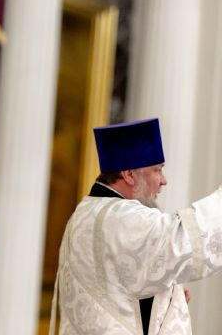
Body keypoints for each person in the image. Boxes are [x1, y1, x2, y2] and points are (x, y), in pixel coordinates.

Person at [51, 118, 222, 335]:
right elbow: (183, 241)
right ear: (129, 174)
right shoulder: (120, 218)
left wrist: (168, 299)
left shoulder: (85, 211)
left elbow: (116, 289)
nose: (164, 181)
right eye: (157, 170)